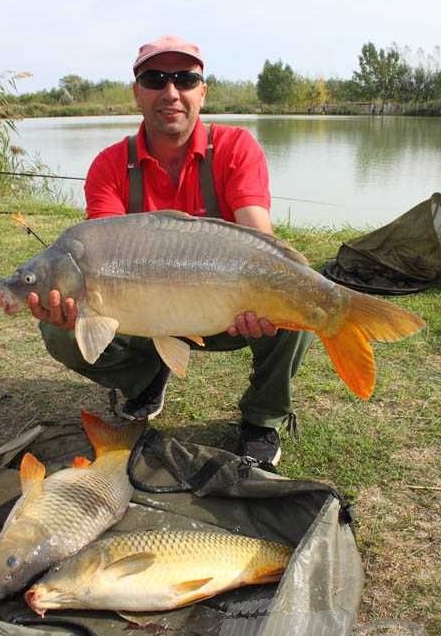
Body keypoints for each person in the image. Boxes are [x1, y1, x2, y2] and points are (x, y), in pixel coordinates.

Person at [28, 35, 312, 470]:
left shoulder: (236, 147)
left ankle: (262, 419)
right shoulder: (109, 165)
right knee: (59, 328)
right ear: (137, 92)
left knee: (297, 293)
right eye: (155, 78)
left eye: (185, 78)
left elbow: (259, 233)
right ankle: (144, 381)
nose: (170, 92)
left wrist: (269, 292)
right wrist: (71, 303)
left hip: (225, 310)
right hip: (144, 313)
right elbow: (97, 255)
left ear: (203, 90)